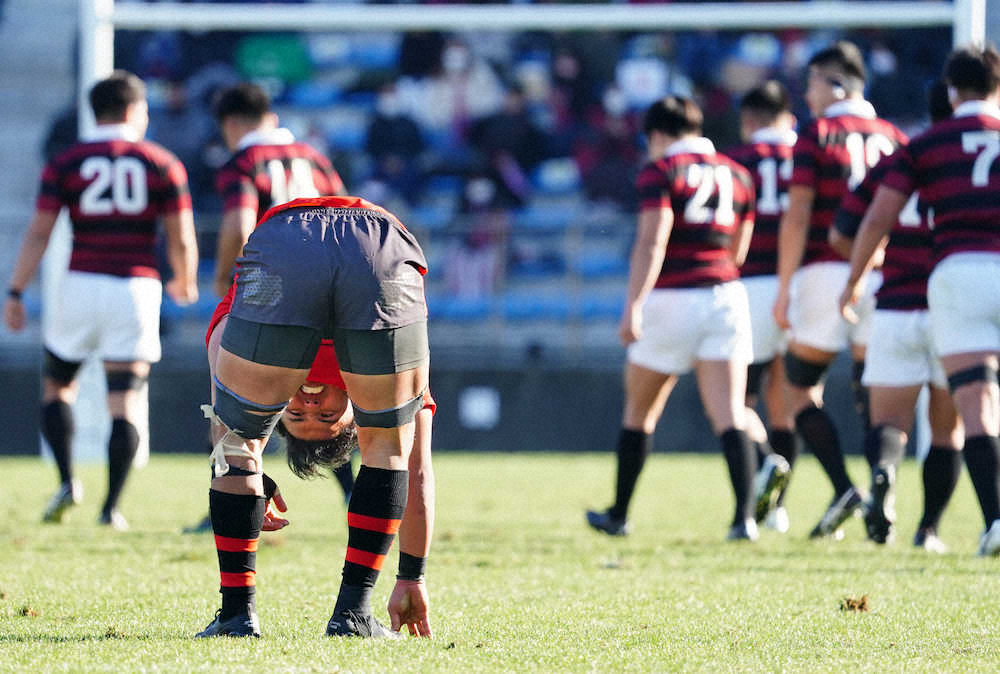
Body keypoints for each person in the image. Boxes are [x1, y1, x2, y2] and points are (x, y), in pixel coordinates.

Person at [194, 195, 434, 638]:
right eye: (325, 415)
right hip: (374, 246)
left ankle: (235, 616)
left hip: (291, 239)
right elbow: (414, 471)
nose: (307, 402)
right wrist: (411, 576)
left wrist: (248, 461)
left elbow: (227, 439)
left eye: (300, 414)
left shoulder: (272, 378)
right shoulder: (382, 393)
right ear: (351, 419)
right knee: (388, 447)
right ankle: (353, 615)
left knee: (235, 442)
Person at [2, 71, 199, 530]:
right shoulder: (162, 163)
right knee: (124, 402)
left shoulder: (67, 161)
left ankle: (68, 480)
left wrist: (15, 290)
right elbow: (182, 237)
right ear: (134, 111)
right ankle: (111, 508)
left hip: (79, 284)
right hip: (135, 288)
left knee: (57, 387)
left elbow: (39, 232)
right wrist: (185, 280)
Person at [840, 46, 1000, 556]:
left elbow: (863, 224)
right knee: (950, 424)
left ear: (952, 91)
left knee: (923, 417)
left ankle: (902, 484)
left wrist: (853, 281)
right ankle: (930, 527)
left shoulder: (918, 150)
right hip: (965, 284)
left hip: (930, 292)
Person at [585, 96, 764, 541]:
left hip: (672, 298)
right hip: (725, 296)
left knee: (640, 412)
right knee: (730, 414)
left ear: (658, 136)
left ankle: (620, 514)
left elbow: (652, 241)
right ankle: (745, 518)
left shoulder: (661, 171)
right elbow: (739, 249)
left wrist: (633, 305)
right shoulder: (739, 173)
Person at [184, 83, 354, 532]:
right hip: (327, 288)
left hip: (268, 287)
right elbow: (348, 217)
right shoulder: (315, 157)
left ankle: (230, 494)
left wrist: (228, 282)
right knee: (322, 393)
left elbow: (240, 221)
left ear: (231, 124)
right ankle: (356, 495)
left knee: (232, 395)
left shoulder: (244, 160)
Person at [772, 42, 908, 538]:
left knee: (799, 386)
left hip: (827, 270)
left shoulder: (818, 133)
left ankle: (843, 488)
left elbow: (799, 214)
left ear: (836, 86)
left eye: (811, 84)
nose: (806, 95)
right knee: (876, 396)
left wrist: (785, 287)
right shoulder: (894, 136)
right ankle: (881, 484)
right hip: (885, 273)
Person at [830, 80, 962, 551]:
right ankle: (928, 530)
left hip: (897, 302)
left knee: (889, 422)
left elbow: (844, 231)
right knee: (948, 428)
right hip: (956, 312)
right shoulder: (976, 158)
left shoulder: (901, 158)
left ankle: (884, 474)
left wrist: (876, 261)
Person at [727, 81, 798, 533]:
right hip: (801, 285)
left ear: (748, 120)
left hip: (750, 282)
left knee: (737, 400)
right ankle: (778, 507)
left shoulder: (736, 162)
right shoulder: (806, 154)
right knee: (788, 405)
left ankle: (759, 487)